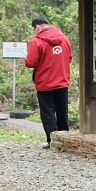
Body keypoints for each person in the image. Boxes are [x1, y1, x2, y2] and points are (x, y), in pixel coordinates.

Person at [25, 15, 72, 149]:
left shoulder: (37, 41)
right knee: (62, 112)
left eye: (34, 28)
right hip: (62, 81)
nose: (35, 31)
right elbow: (69, 57)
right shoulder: (64, 38)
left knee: (48, 113)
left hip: (45, 83)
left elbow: (30, 62)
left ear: (38, 26)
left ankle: (52, 141)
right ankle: (65, 141)